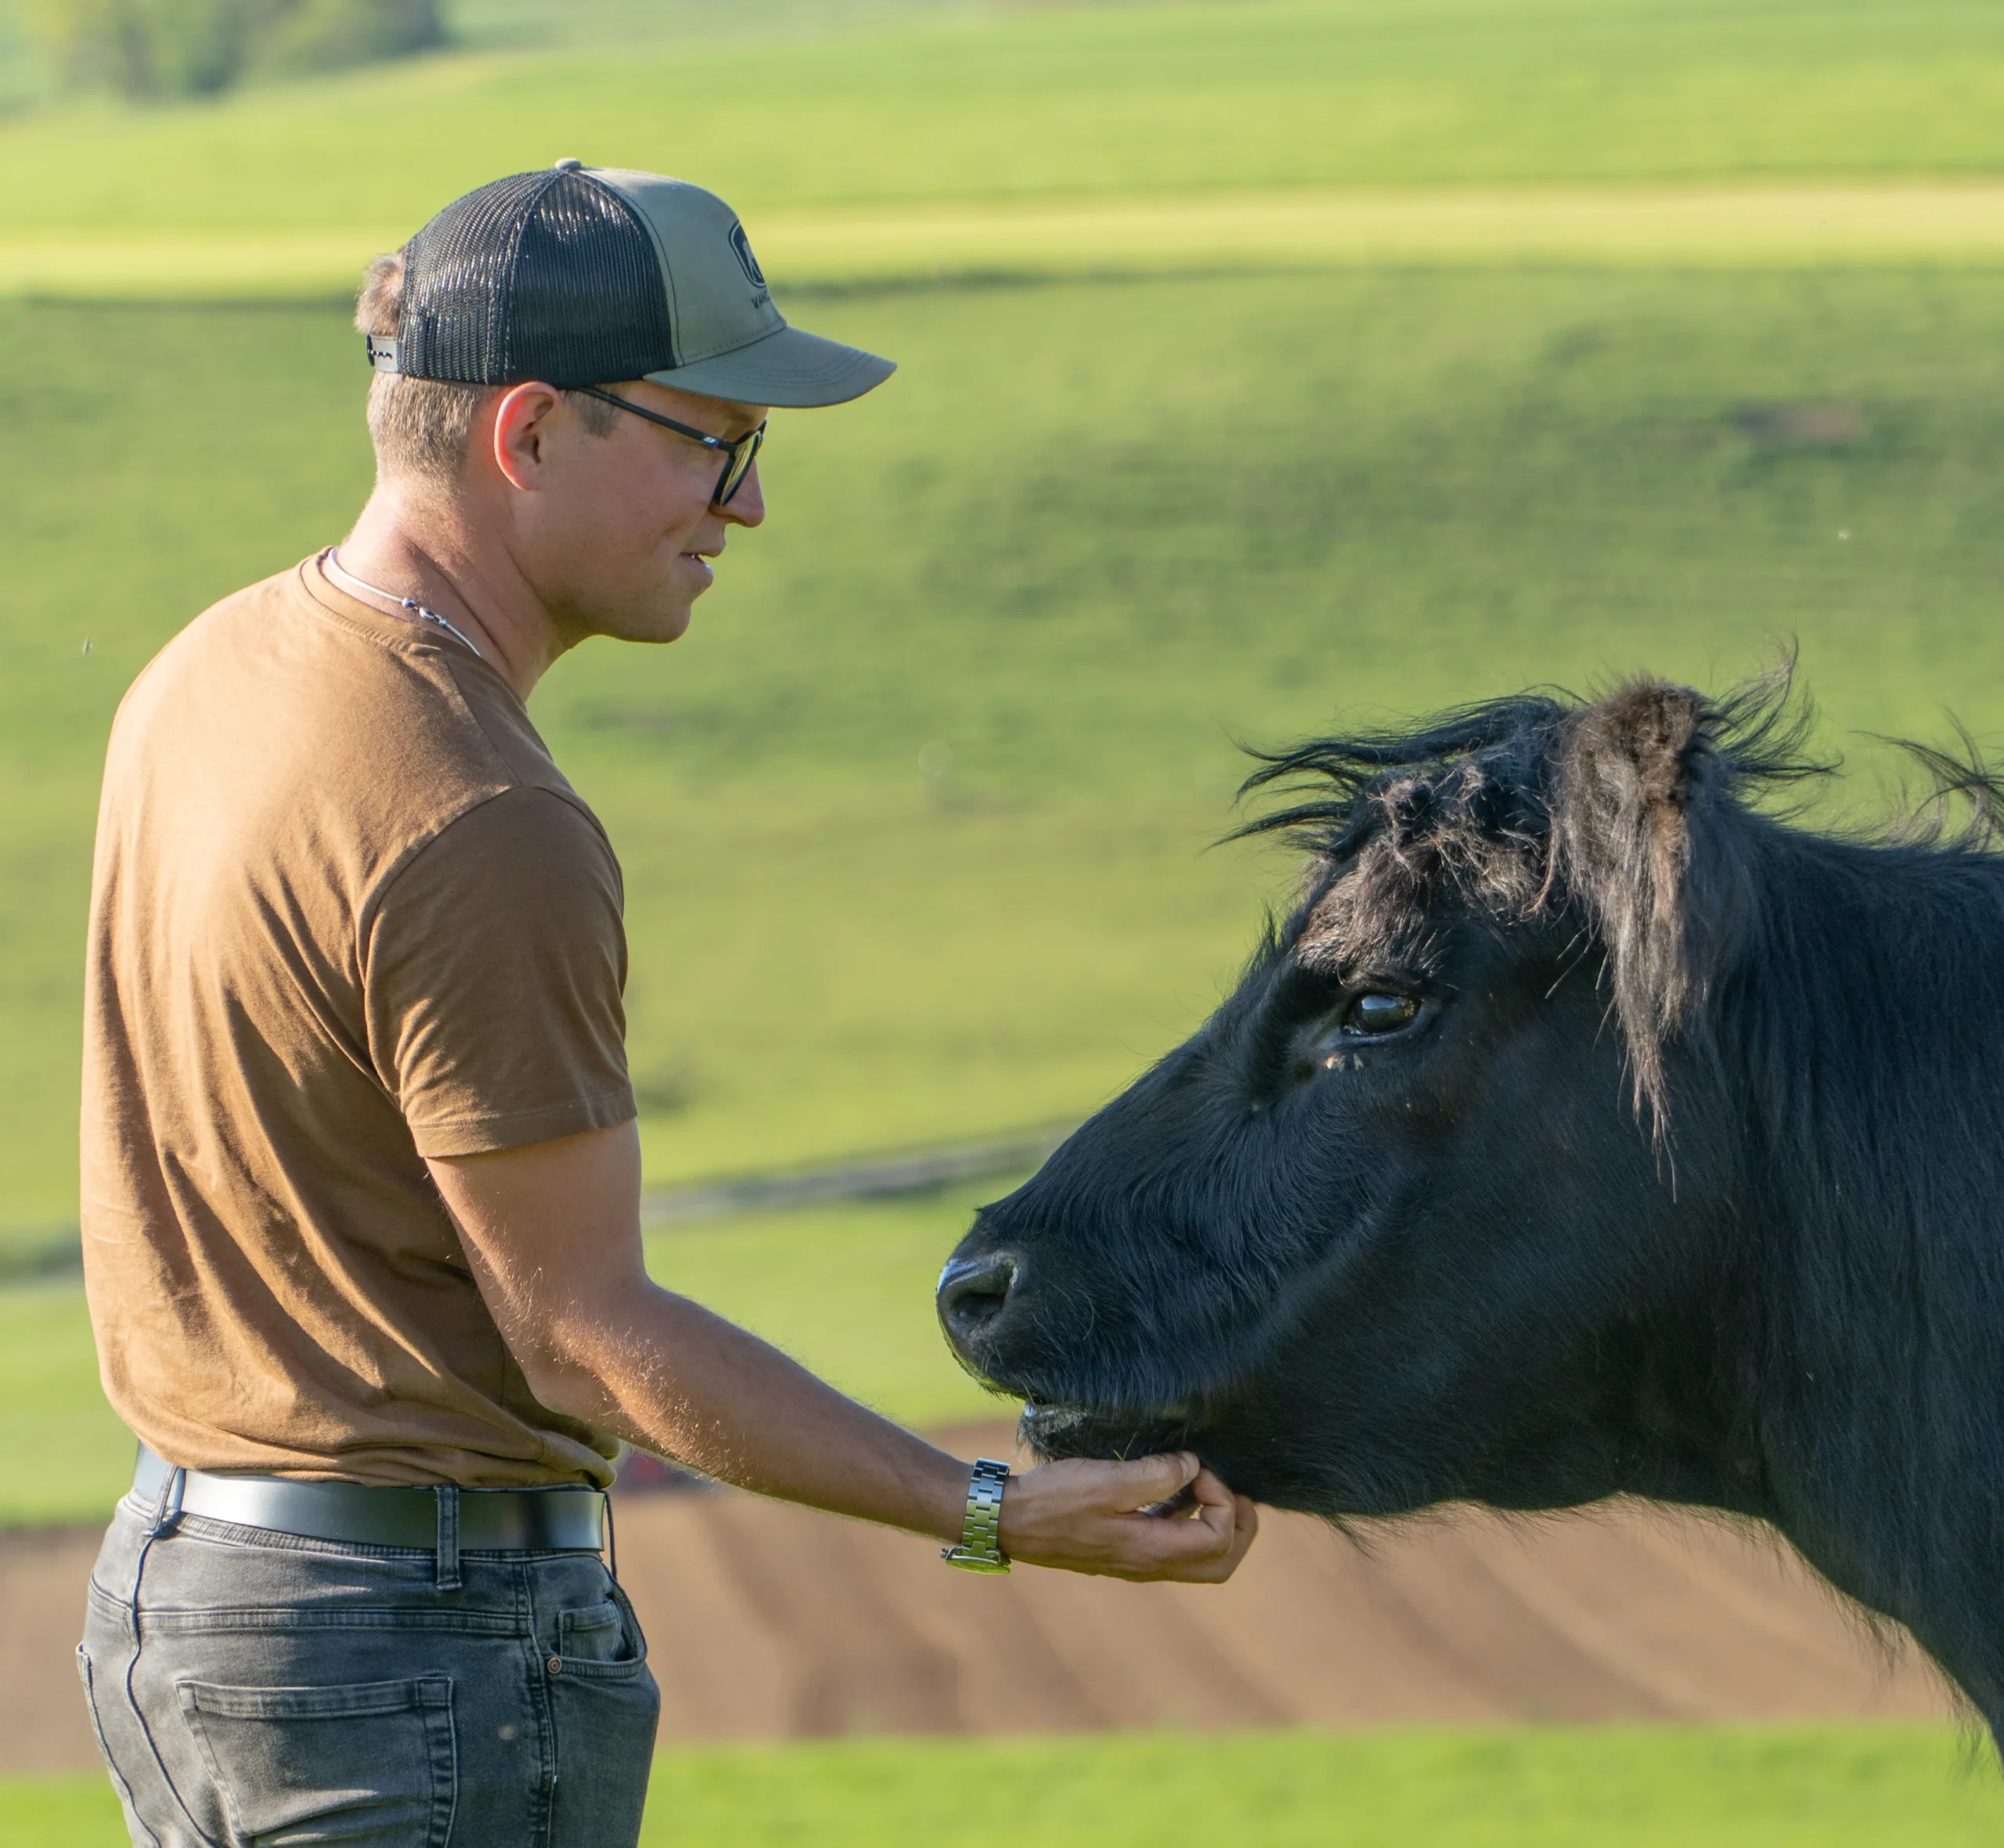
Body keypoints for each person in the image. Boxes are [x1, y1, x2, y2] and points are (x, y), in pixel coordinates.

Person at [75, 163, 1258, 1848]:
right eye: (718, 442)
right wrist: (988, 1505)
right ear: (530, 431)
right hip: (405, 1650)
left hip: (188, 1604)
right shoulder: (477, 816)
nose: (749, 506)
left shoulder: (210, 670)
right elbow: (583, 1329)